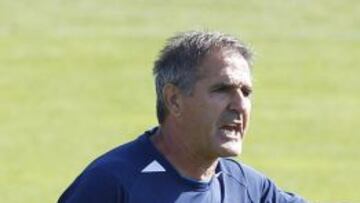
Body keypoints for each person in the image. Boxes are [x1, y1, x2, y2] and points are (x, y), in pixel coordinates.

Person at [58, 31, 306, 203]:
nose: (240, 104)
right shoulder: (112, 183)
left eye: (246, 92)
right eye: (222, 89)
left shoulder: (249, 188)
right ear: (174, 100)